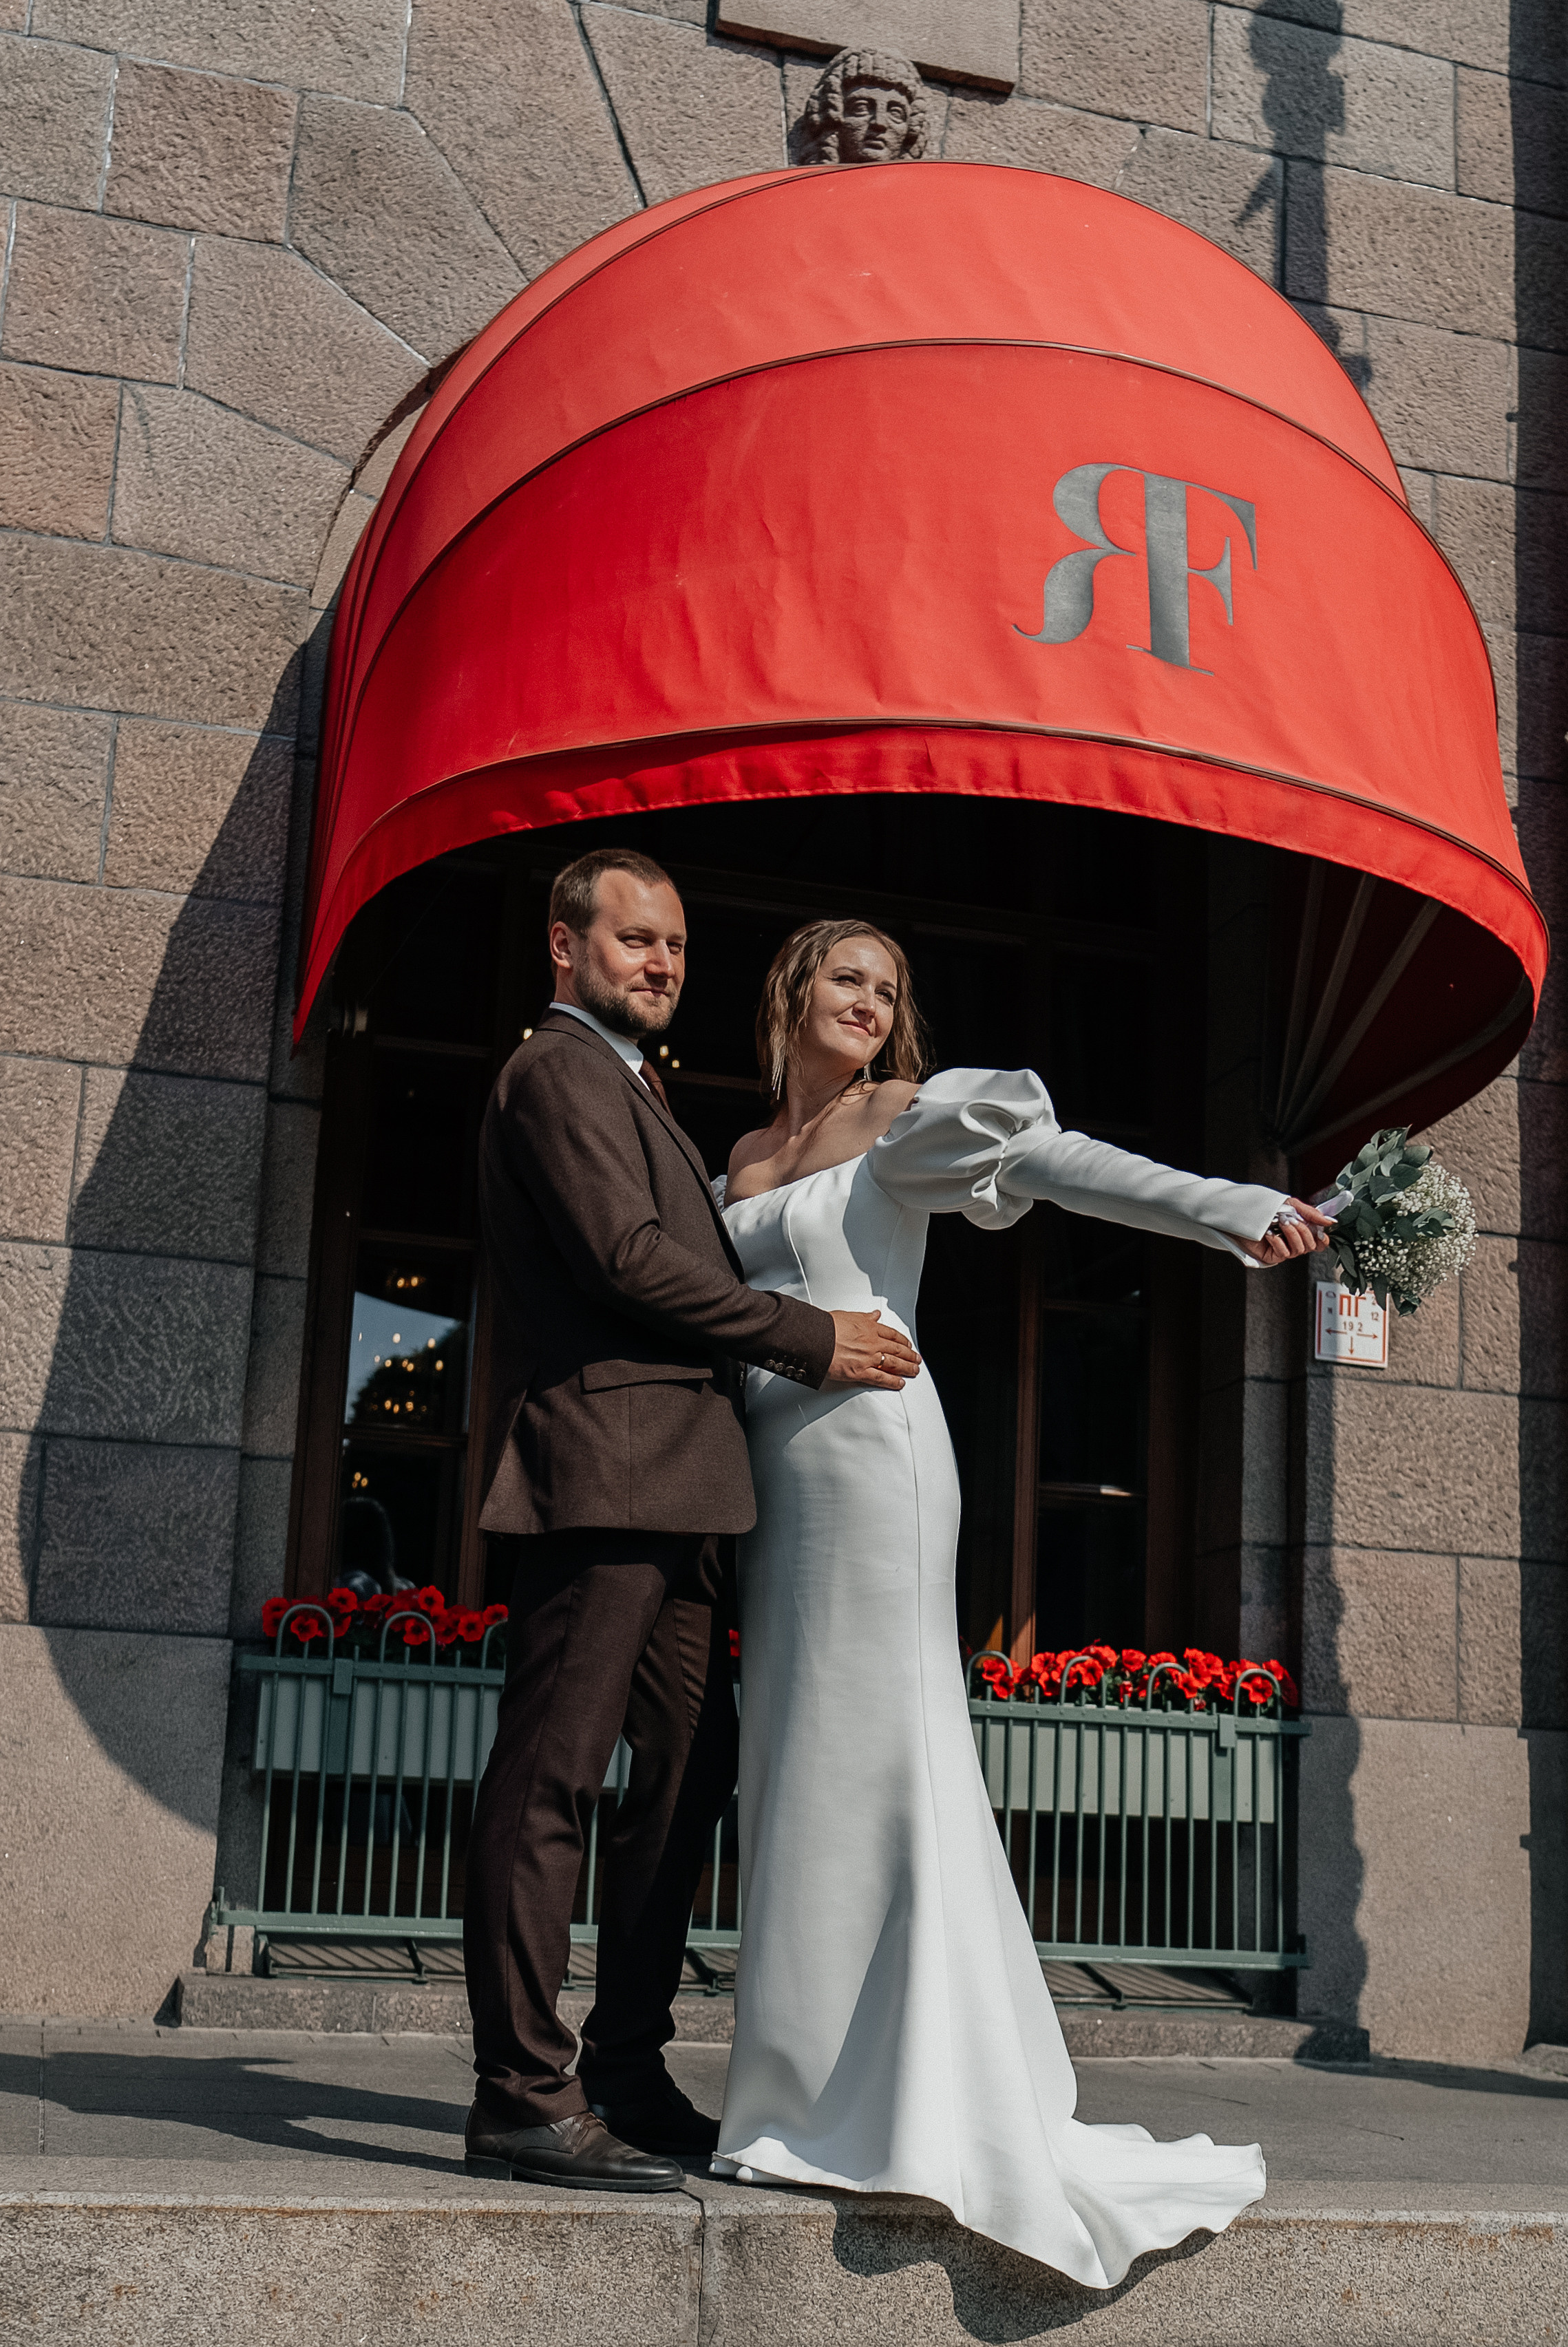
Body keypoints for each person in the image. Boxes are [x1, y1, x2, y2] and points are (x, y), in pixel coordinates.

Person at [710, 917, 1333, 2286]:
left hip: (875, 1463)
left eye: (889, 985)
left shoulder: (903, 1119)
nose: (869, 1002)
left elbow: (1055, 1165)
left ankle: (909, 2107)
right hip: (772, 1487)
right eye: (844, 977)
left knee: (882, 1767)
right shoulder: (741, 1159)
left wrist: (1223, 1205)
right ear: (790, 991)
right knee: (795, 1776)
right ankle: (791, 2102)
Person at [462, 851, 922, 2194]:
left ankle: (620, 2064)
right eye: (630, 938)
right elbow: (623, 1258)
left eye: (671, 943)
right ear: (565, 947)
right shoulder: (552, 1072)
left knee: (684, 1775)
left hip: (683, 1496)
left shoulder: (632, 1084)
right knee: (549, 1780)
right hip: (598, 1477)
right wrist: (805, 1338)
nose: (657, 960)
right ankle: (518, 2093)